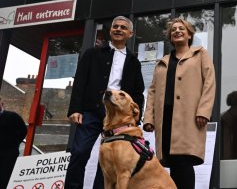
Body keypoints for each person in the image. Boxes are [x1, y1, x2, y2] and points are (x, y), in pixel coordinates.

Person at [65, 16, 145, 188]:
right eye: (115, 26)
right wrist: (75, 109)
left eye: (123, 27)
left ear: (130, 34)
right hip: (91, 111)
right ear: (110, 31)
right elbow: (80, 82)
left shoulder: (134, 62)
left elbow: (138, 93)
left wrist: (135, 118)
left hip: (118, 117)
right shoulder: (92, 53)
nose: (118, 29)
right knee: (79, 152)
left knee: (110, 161)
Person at [143, 18, 216, 189]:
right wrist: (149, 118)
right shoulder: (162, 62)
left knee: (183, 161)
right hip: (166, 119)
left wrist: (203, 111)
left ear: (189, 34)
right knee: (173, 163)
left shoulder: (200, 55)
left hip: (188, 118)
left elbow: (209, 83)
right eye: (173, 29)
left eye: (181, 28)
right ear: (170, 36)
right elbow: (152, 91)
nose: (177, 31)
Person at [0, 100, 27, 188]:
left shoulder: (12, 116)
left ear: (2, 104)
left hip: (8, 155)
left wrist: (12, 143)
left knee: (4, 180)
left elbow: (23, 131)